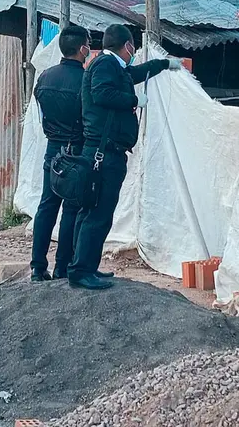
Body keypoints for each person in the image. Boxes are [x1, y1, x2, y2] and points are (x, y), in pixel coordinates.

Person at [67, 25, 181, 290]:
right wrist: (133, 99)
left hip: (104, 151)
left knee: (93, 213)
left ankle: (85, 266)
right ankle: (81, 271)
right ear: (128, 45)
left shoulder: (112, 66)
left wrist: (164, 64)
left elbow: (134, 73)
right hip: (102, 153)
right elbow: (102, 93)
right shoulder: (105, 65)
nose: (133, 53)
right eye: (133, 48)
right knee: (98, 214)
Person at [29, 26, 92, 282]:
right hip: (77, 150)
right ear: (83, 49)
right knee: (72, 208)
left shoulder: (44, 77)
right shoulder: (86, 81)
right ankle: (62, 267)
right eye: (88, 45)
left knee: (47, 205)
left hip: (53, 149)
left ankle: (37, 267)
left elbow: (41, 113)